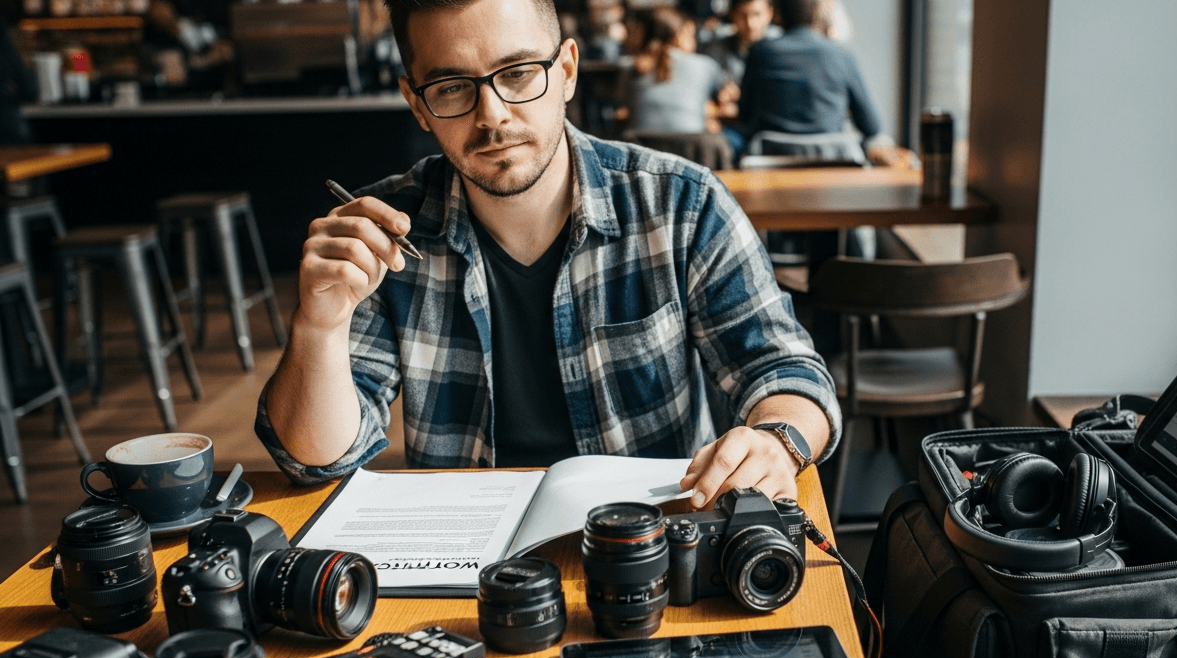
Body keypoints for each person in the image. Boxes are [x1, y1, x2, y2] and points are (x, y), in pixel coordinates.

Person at [257, 0, 839, 511]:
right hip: (468, 562)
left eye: (517, 73)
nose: (492, 115)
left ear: (565, 71)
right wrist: (319, 325)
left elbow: (785, 371)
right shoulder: (383, 231)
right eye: (453, 87)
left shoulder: (682, 205)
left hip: (652, 547)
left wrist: (777, 440)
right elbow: (317, 460)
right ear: (417, 103)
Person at [738, 0, 906, 166]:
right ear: (818, 13)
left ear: (777, 15)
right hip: (834, 167)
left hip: (769, 166)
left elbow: (745, 115)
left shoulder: (759, 53)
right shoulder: (842, 56)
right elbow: (872, 126)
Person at [622, 7, 733, 135]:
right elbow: (724, 100)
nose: (694, 41)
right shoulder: (704, 64)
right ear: (679, 35)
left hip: (641, 144)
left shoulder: (630, 67)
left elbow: (625, 109)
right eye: (691, 35)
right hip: (691, 145)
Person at [700, 0, 777, 86]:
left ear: (770, 13)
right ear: (732, 14)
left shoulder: (782, 46)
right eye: (743, 15)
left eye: (757, 14)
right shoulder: (717, 50)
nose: (750, 23)